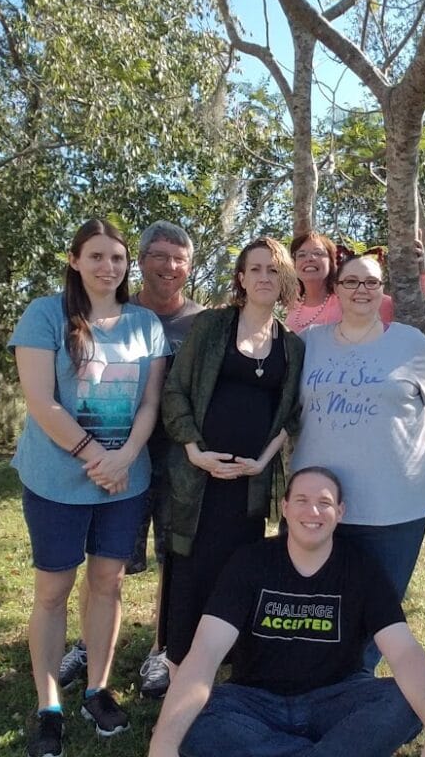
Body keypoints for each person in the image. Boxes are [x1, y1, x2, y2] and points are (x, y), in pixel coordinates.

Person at [148, 466, 425, 757]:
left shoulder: (360, 568)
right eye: (301, 500)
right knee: (190, 718)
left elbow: (405, 651)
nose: (312, 511)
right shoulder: (251, 562)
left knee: (403, 702)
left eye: (324, 503)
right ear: (284, 508)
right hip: (254, 702)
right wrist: (162, 742)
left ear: (340, 512)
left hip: (337, 700)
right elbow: (205, 651)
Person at [9, 218, 169, 757]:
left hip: (124, 481)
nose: (108, 267)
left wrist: (123, 457)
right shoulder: (45, 314)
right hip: (57, 481)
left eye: (117, 258)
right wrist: (94, 455)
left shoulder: (146, 322)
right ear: (75, 261)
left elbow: (150, 403)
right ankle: (48, 704)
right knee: (52, 592)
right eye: (96, 256)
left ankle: (98, 689)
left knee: (108, 584)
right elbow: (41, 401)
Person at [59, 220, 204, 699]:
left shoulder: (202, 323)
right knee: (106, 562)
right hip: (116, 458)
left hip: (180, 463)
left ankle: (161, 651)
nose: (169, 266)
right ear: (139, 262)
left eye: (179, 257)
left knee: (174, 561)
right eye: (159, 256)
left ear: (190, 267)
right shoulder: (112, 314)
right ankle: (87, 645)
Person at [290, 254, 425, 672]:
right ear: (336, 289)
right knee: (318, 595)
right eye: (351, 282)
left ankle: (356, 680)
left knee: (379, 602)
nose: (362, 290)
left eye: (371, 283)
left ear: (383, 291)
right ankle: (314, 673)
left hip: (396, 501)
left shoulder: (411, 344)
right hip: (318, 502)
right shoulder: (309, 343)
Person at [160, 236, 304, 671]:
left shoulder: (292, 346)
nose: (264, 276)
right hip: (198, 482)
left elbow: (290, 415)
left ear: (285, 280)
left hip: (250, 486)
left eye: (273, 269)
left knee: (237, 575)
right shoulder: (210, 327)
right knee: (190, 576)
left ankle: (228, 674)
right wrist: (194, 452)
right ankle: (178, 672)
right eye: (255, 268)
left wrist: (263, 461)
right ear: (241, 278)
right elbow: (175, 393)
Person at [285, 230, 425, 333]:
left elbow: (411, 309)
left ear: (331, 262)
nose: (309, 259)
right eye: (301, 255)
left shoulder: (351, 296)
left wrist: (420, 271)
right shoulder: (293, 307)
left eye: (318, 253)